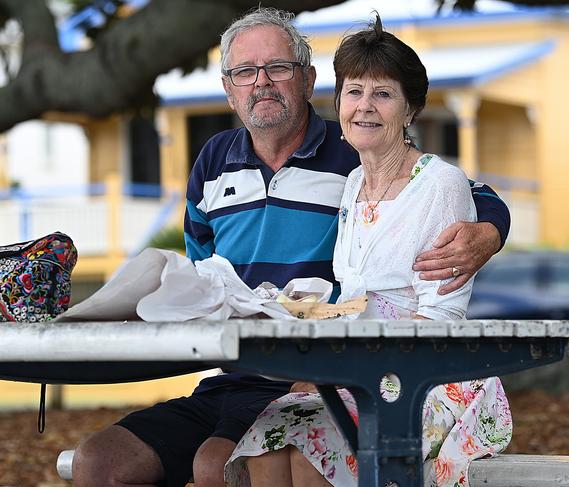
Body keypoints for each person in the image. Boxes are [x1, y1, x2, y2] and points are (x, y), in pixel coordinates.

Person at [72, 8, 510, 487]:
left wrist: (489, 230)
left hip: (326, 371)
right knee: (98, 462)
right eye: (245, 71)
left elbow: (458, 194)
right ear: (228, 87)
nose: (261, 82)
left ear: (308, 80)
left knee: (222, 463)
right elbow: (202, 284)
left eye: (278, 68)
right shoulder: (219, 163)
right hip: (237, 374)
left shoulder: (354, 153)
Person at [224, 13, 511, 487]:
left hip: (427, 376)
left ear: (410, 109)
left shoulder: (440, 184)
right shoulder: (355, 183)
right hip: (361, 369)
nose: (365, 107)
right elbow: (355, 299)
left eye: (383, 94)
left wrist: (347, 372)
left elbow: (441, 319)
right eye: (354, 92)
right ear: (338, 101)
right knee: (270, 439)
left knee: (311, 450)